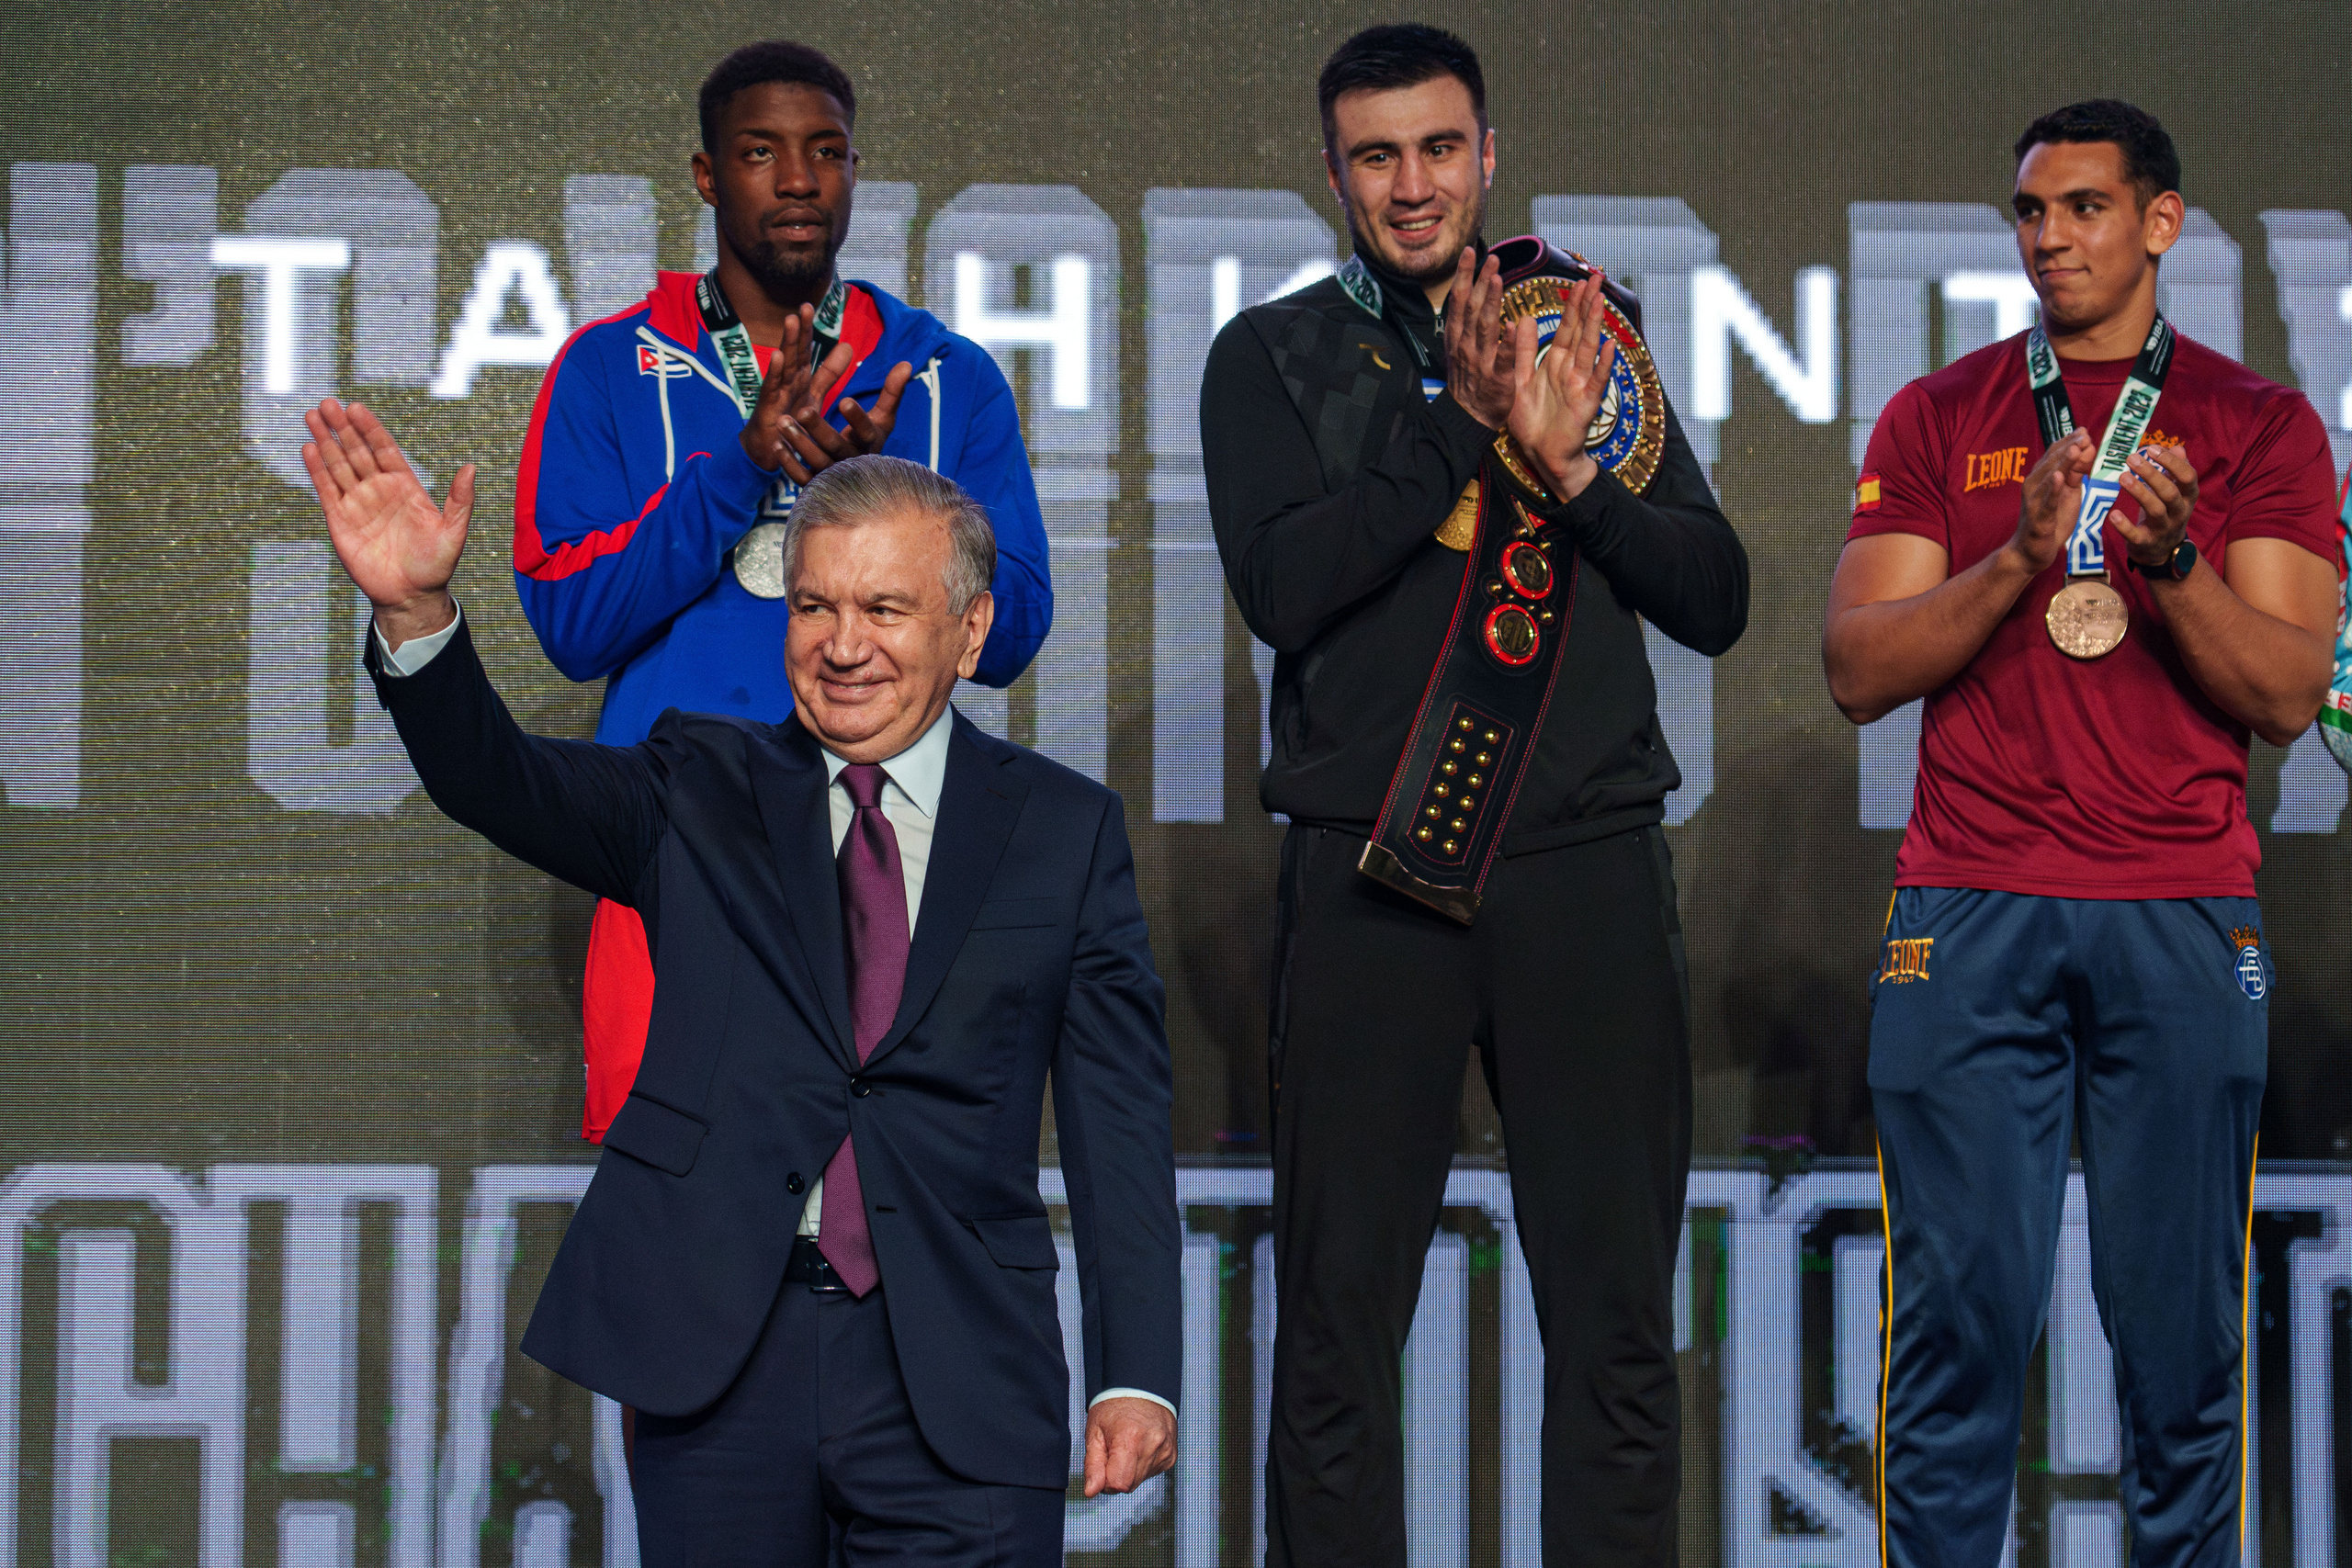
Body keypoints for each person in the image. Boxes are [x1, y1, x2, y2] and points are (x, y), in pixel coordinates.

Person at [302, 405, 1170, 1567]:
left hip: (960, 1368)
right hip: (722, 1358)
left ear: (969, 635)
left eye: (883, 609)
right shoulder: (698, 780)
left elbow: (1118, 1124)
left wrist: (1137, 1378)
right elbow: (496, 782)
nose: (842, 643)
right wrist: (414, 613)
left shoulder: (1065, 830)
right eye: (814, 605)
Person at [1199, 23, 1747, 1566]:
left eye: (1441, 148)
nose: (1413, 183)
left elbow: (1715, 594)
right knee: (1336, 1331)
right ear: (1333, 176)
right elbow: (1285, 587)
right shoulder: (1271, 360)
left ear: (1488, 153)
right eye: (1377, 155)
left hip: (1582, 867)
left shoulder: (1589, 334)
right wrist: (1457, 417)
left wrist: (1572, 474)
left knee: (1617, 1320)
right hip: (1373, 874)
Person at [1825, 100, 2343, 1567]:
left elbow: (2291, 693)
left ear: (2161, 223)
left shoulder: (2261, 425)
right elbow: (1860, 666)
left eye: (2086, 208)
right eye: (2032, 212)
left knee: (2181, 1345)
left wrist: (2169, 561)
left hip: (2179, 907)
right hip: (1970, 903)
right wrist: (2018, 558)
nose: (2051, 237)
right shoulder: (1941, 415)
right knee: (1958, 1333)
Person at [515, 40, 1053, 1142]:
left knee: (887, 1214)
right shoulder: (609, 368)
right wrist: (738, 473)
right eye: (761, 153)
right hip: (683, 852)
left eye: (826, 153)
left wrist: (889, 505)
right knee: (684, 1222)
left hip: (891, 852)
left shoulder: (940, 375)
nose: (798, 180)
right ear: (708, 176)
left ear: (856, 171)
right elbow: (571, 623)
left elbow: (1015, 631)